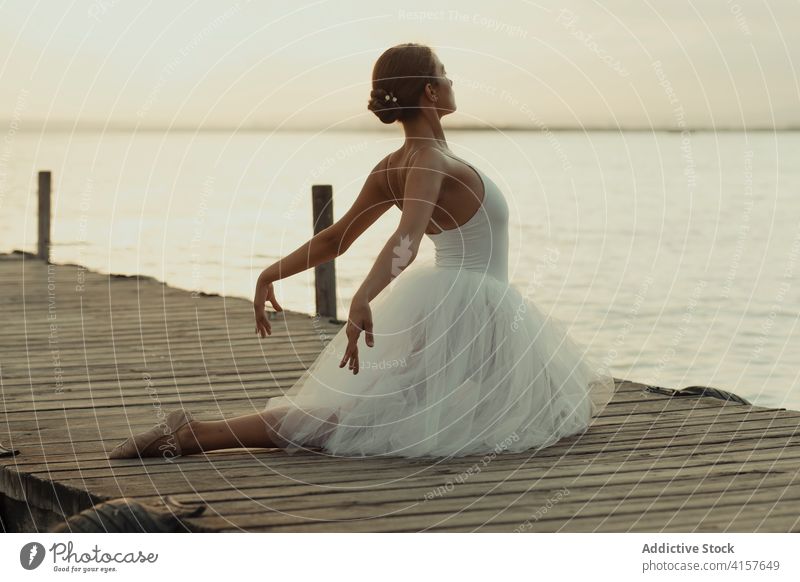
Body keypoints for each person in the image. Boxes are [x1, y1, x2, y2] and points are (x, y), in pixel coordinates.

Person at [108, 42, 615, 461]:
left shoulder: (396, 163)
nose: (452, 81)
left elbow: (336, 239)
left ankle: (198, 432)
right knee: (389, 419)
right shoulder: (431, 160)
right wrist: (363, 297)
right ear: (431, 90)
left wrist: (270, 273)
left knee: (403, 412)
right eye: (445, 73)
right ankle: (198, 433)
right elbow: (406, 239)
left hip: (457, 306)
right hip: (471, 309)